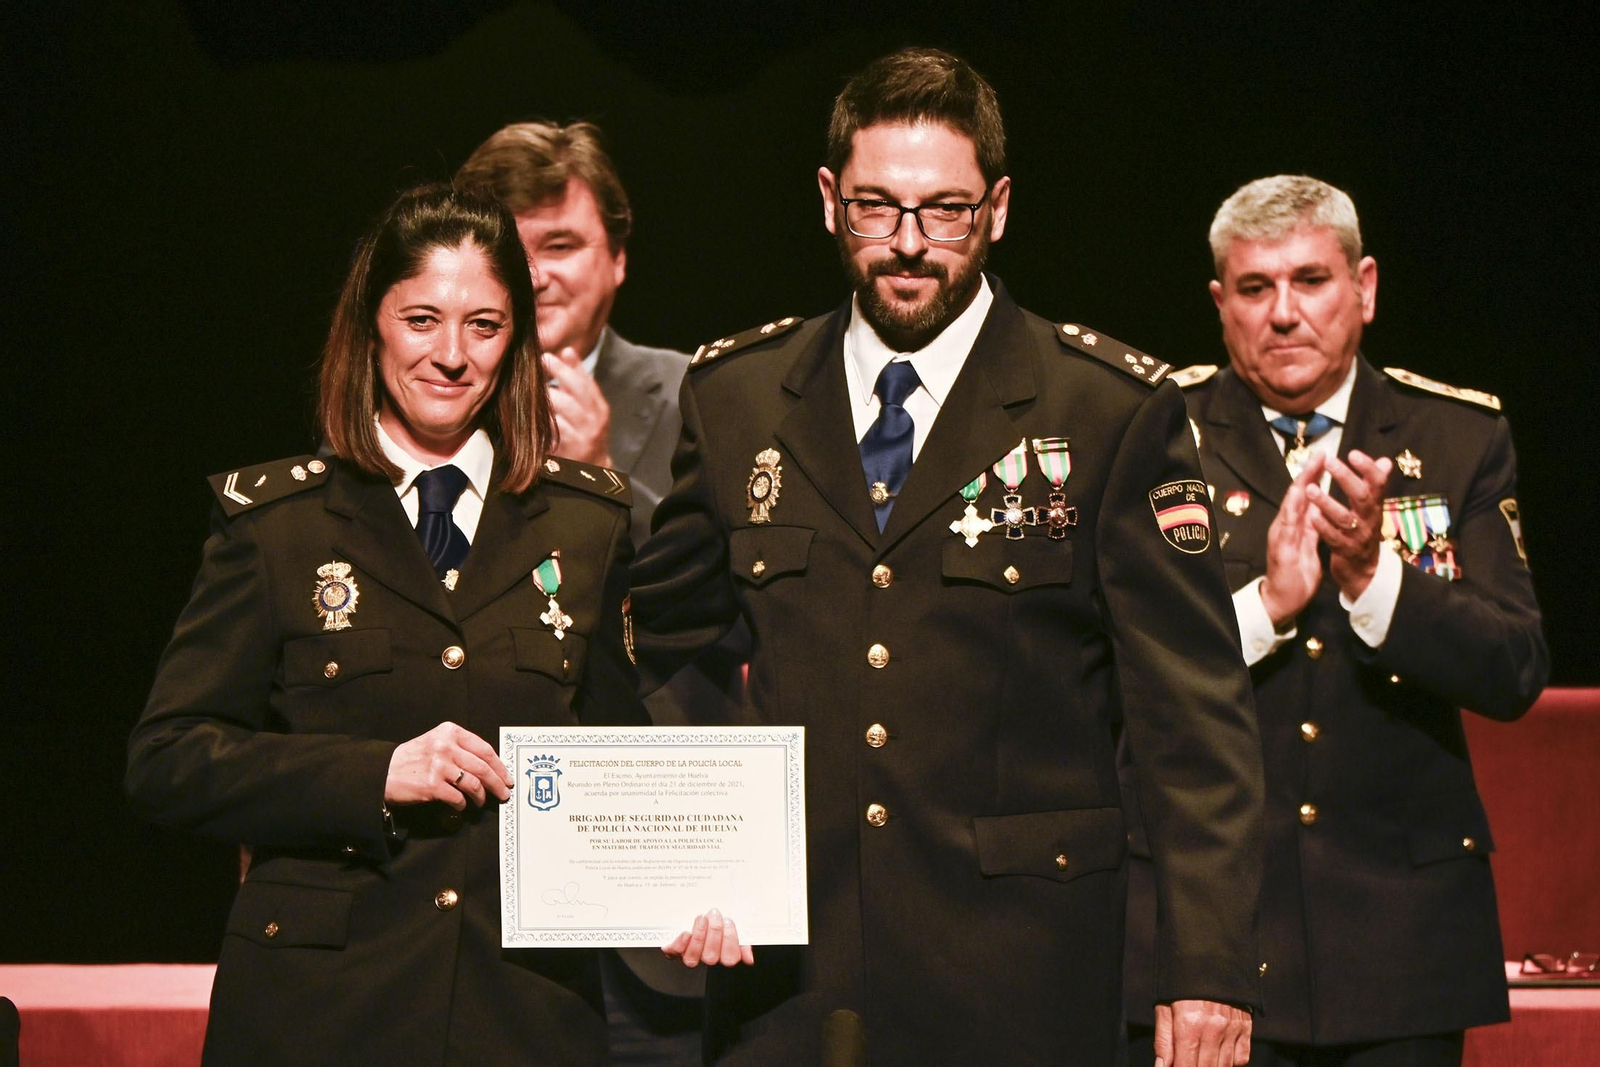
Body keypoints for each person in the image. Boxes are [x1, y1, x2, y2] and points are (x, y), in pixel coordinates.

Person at [630, 48, 1264, 1066]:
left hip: (1020, 974)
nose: (910, 244)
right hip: (793, 977)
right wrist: (696, 845)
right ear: (830, 201)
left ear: (998, 208)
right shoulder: (736, 397)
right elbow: (665, 641)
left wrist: (1207, 966)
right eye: (878, 208)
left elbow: (1192, 718)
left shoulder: (1105, 408)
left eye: (946, 210)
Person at [125, 184, 647, 1066]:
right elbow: (167, 759)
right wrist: (377, 772)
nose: (451, 355)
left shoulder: (587, 526)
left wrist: (699, 883)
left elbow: (626, 768)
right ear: (371, 329)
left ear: (516, 337)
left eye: (484, 325)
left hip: (522, 1014)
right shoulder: (275, 524)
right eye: (421, 320)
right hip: (320, 1013)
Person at [1123, 175, 1548, 1067]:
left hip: (1402, 936)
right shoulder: (1157, 433)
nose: (1283, 313)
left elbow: (1514, 668)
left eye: (1310, 280)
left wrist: (1374, 579)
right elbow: (1115, 672)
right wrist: (1264, 609)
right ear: (1219, 303)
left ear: (1365, 288)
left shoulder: (1461, 436)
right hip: (1211, 930)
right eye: (1254, 287)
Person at [457, 121, 743, 1063]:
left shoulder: (704, 396)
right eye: (510, 247)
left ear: (617, 260)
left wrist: (595, 479)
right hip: (478, 893)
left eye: (562, 245)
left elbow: (730, 598)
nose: (534, 273)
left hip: (655, 893)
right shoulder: (423, 406)